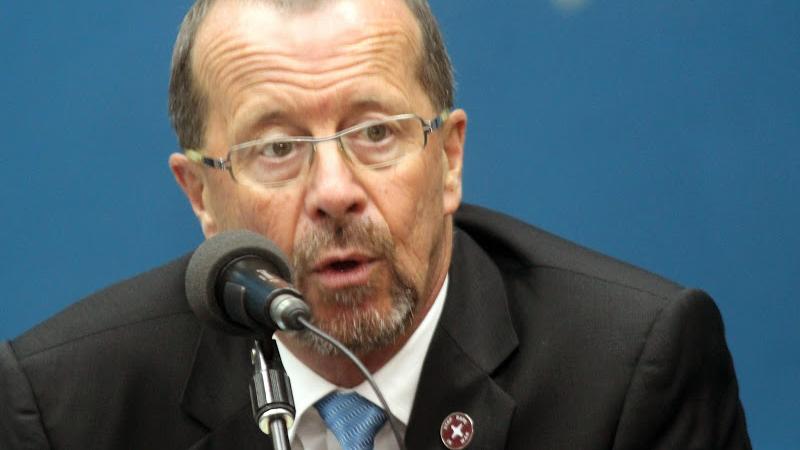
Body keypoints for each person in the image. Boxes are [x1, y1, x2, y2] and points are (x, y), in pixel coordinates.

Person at [1, 0, 751, 449]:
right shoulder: (68, 410)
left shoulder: (628, 374)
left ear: (449, 158)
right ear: (200, 194)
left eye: (376, 132)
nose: (335, 192)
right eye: (277, 148)